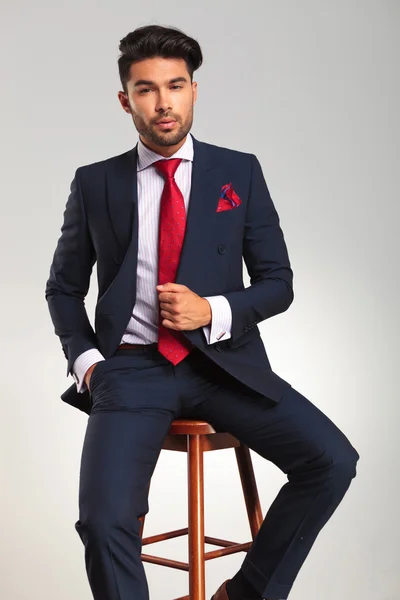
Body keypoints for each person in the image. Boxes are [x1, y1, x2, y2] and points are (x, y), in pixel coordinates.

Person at [45, 24, 360, 600]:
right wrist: (88, 362)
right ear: (126, 100)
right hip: (132, 371)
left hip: (223, 366)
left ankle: (243, 596)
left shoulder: (238, 172)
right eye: (146, 89)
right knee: (102, 521)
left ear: (194, 90)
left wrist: (211, 309)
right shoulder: (95, 184)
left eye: (176, 85)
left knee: (333, 461)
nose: (163, 103)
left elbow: (278, 284)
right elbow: (63, 288)